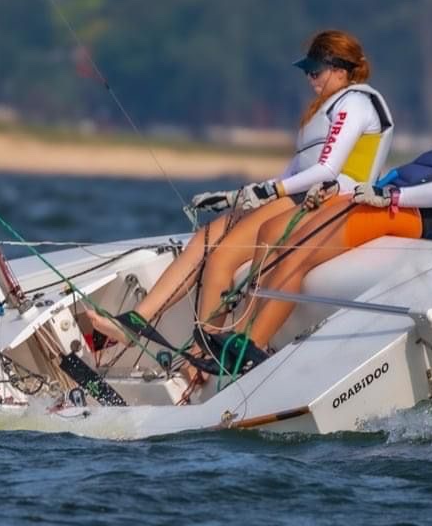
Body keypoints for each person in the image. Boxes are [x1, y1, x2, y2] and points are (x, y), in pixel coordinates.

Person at [80, 30, 392, 354]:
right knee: (204, 239)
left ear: (339, 70)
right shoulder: (327, 107)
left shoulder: (356, 103)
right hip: (299, 193)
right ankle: (136, 321)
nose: (310, 78)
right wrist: (237, 196)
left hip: (328, 200)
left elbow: (327, 170)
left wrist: (269, 191)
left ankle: (206, 355)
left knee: (222, 258)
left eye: (315, 71)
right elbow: (295, 171)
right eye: (308, 72)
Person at [196, 88, 432, 371]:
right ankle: (242, 337)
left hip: (403, 216)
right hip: (385, 205)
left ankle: (253, 345)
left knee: (298, 255)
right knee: (282, 241)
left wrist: (391, 197)